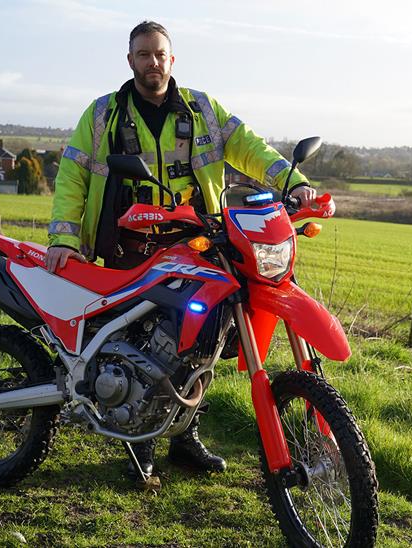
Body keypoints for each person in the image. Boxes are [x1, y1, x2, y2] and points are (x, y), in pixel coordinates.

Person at [45, 21, 330, 480]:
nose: (152, 62)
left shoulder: (203, 110)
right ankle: (138, 439)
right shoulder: (103, 115)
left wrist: (293, 183)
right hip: (129, 246)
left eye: (159, 54)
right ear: (130, 60)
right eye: (143, 54)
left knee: (204, 344)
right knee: (135, 345)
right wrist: (62, 238)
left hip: (196, 244)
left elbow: (251, 149)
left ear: (171, 59)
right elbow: (72, 178)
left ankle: (184, 435)